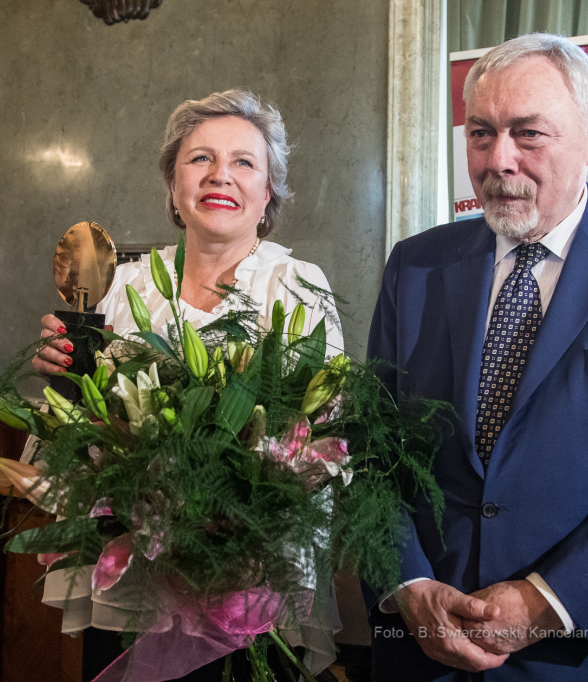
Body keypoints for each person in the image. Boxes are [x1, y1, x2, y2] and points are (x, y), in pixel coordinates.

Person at [364, 34, 588, 681]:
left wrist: (545, 600)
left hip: (585, 651)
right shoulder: (415, 265)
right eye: (481, 133)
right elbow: (372, 454)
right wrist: (409, 585)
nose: (498, 159)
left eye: (528, 134)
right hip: (426, 649)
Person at [31, 88, 343, 681]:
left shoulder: (297, 283)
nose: (219, 175)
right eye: (199, 159)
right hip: (133, 577)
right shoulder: (122, 287)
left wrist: (228, 540)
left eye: (244, 162)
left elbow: (314, 439)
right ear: (174, 187)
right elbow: (86, 432)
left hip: (247, 578)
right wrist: (63, 369)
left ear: (268, 190)